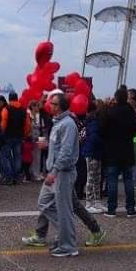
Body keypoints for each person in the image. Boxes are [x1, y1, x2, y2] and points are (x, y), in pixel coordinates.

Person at [36, 92, 82, 257]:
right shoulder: (58, 123)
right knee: (44, 203)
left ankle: (68, 246)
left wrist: (54, 171)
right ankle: (64, 235)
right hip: (55, 171)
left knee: (64, 210)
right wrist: (48, 145)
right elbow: (59, 146)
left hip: (63, 173)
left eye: (54, 104)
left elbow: (66, 152)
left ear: (61, 106)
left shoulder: (68, 124)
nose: (51, 106)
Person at [101, 88, 136, 217]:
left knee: (112, 181)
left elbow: (103, 129)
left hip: (112, 151)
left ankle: (111, 209)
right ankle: (130, 208)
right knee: (128, 180)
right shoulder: (131, 111)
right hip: (127, 149)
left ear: (116, 98)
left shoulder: (111, 112)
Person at [0, 92, 30, 185]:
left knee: (4, 156)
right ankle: (16, 176)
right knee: (17, 156)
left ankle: (9, 176)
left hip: (7, 136)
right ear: (17, 99)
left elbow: (3, 124)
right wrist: (24, 135)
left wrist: (1, 134)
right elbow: (28, 125)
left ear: (9, 99)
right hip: (19, 136)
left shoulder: (6, 109)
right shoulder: (24, 110)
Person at [81, 100, 104, 213]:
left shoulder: (88, 122)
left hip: (92, 152)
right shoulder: (94, 123)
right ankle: (89, 202)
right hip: (93, 153)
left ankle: (96, 201)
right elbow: (94, 138)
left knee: (95, 178)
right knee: (92, 178)